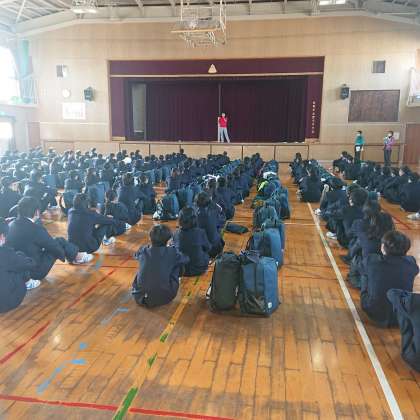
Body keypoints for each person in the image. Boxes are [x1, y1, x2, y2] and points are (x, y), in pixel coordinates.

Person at [6, 197, 80, 282]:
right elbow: (53, 246)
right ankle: (77, 257)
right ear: (37, 212)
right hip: (34, 272)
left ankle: (75, 256)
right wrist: (63, 254)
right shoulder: (35, 229)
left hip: (17, 272)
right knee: (59, 241)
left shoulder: (10, 225)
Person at [361, 230, 419, 327]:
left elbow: (361, 268)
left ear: (383, 247)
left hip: (375, 312)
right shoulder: (411, 262)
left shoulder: (372, 260)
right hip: (401, 313)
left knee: (365, 275)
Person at [131, 224, 189, 308]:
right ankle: (170, 283)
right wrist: (174, 249)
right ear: (168, 240)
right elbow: (186, 259)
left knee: (145, 267)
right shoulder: (172, 252)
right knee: (177, 265)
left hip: (139, 297)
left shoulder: (143, 250)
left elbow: (136, 255)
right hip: (165, 297)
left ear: (150, 238)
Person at [0, 217, 37, 313]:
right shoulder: (5, 253)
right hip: (5, 304)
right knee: (19, 264)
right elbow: (30, 264)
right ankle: (29, 282)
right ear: (2, 236)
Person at [173, 207, 211, 276]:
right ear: (194, 219)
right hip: (199, 269)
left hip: (182, 270)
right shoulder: (200, 232)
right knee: (206, 254)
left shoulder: (176, 233)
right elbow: (208, 248)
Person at [196, 191, 225, 258]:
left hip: (206, 250)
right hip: (217, 247)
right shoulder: (214, 212)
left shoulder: (195, 216)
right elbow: (222, 222)